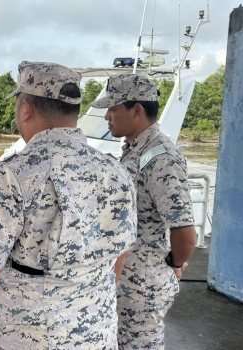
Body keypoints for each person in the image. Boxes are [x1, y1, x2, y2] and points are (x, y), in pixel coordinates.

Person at [0, 62, 138, 350]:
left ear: (26, 109)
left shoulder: (13, 175)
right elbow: (118, 257)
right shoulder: (117, 171)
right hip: (98, 338)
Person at [91, 74, 197, 349]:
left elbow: (184, 232)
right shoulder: (136, 150)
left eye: (113, 109)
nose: (107, 117)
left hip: (143, 286)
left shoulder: (160, 157)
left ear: (137, 110)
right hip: (125, 280)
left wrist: (174, 265)